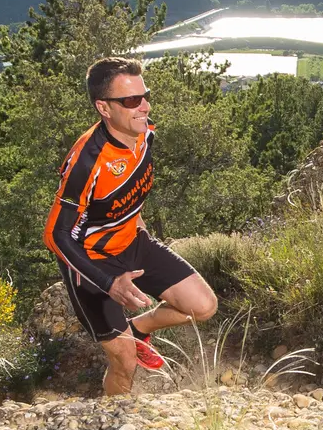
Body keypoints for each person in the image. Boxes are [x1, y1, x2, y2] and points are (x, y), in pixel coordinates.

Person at [44, 56, 219, 396]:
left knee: (203, 307)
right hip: (92, 263)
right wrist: (108, 283)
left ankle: (138, 327)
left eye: (145, 95)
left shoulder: (143, 134)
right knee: (124, 361)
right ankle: (115, 425)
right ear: (104, 108)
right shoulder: (87, 162)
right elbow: (56, 235)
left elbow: (129, 189)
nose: (144, 106)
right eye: (131, 100)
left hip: (132, 241)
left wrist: (139, 227)